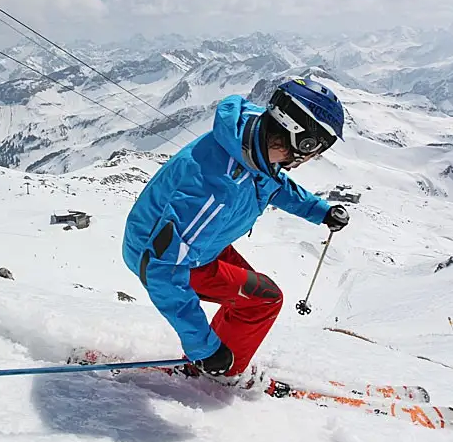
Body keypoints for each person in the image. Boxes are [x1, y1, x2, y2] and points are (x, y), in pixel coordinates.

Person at [121, 76, 350, 388]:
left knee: (252, 296)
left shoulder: (253, 137)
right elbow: (162, 268)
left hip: (200, 245)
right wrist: (203, 349)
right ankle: (216, 373)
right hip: (163, 256)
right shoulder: (215, 190)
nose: (314, 157)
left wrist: (318, 210)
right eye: (317, 149)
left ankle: (217, 356)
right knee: (263, 300)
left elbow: (270, 183)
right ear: (303, 142)